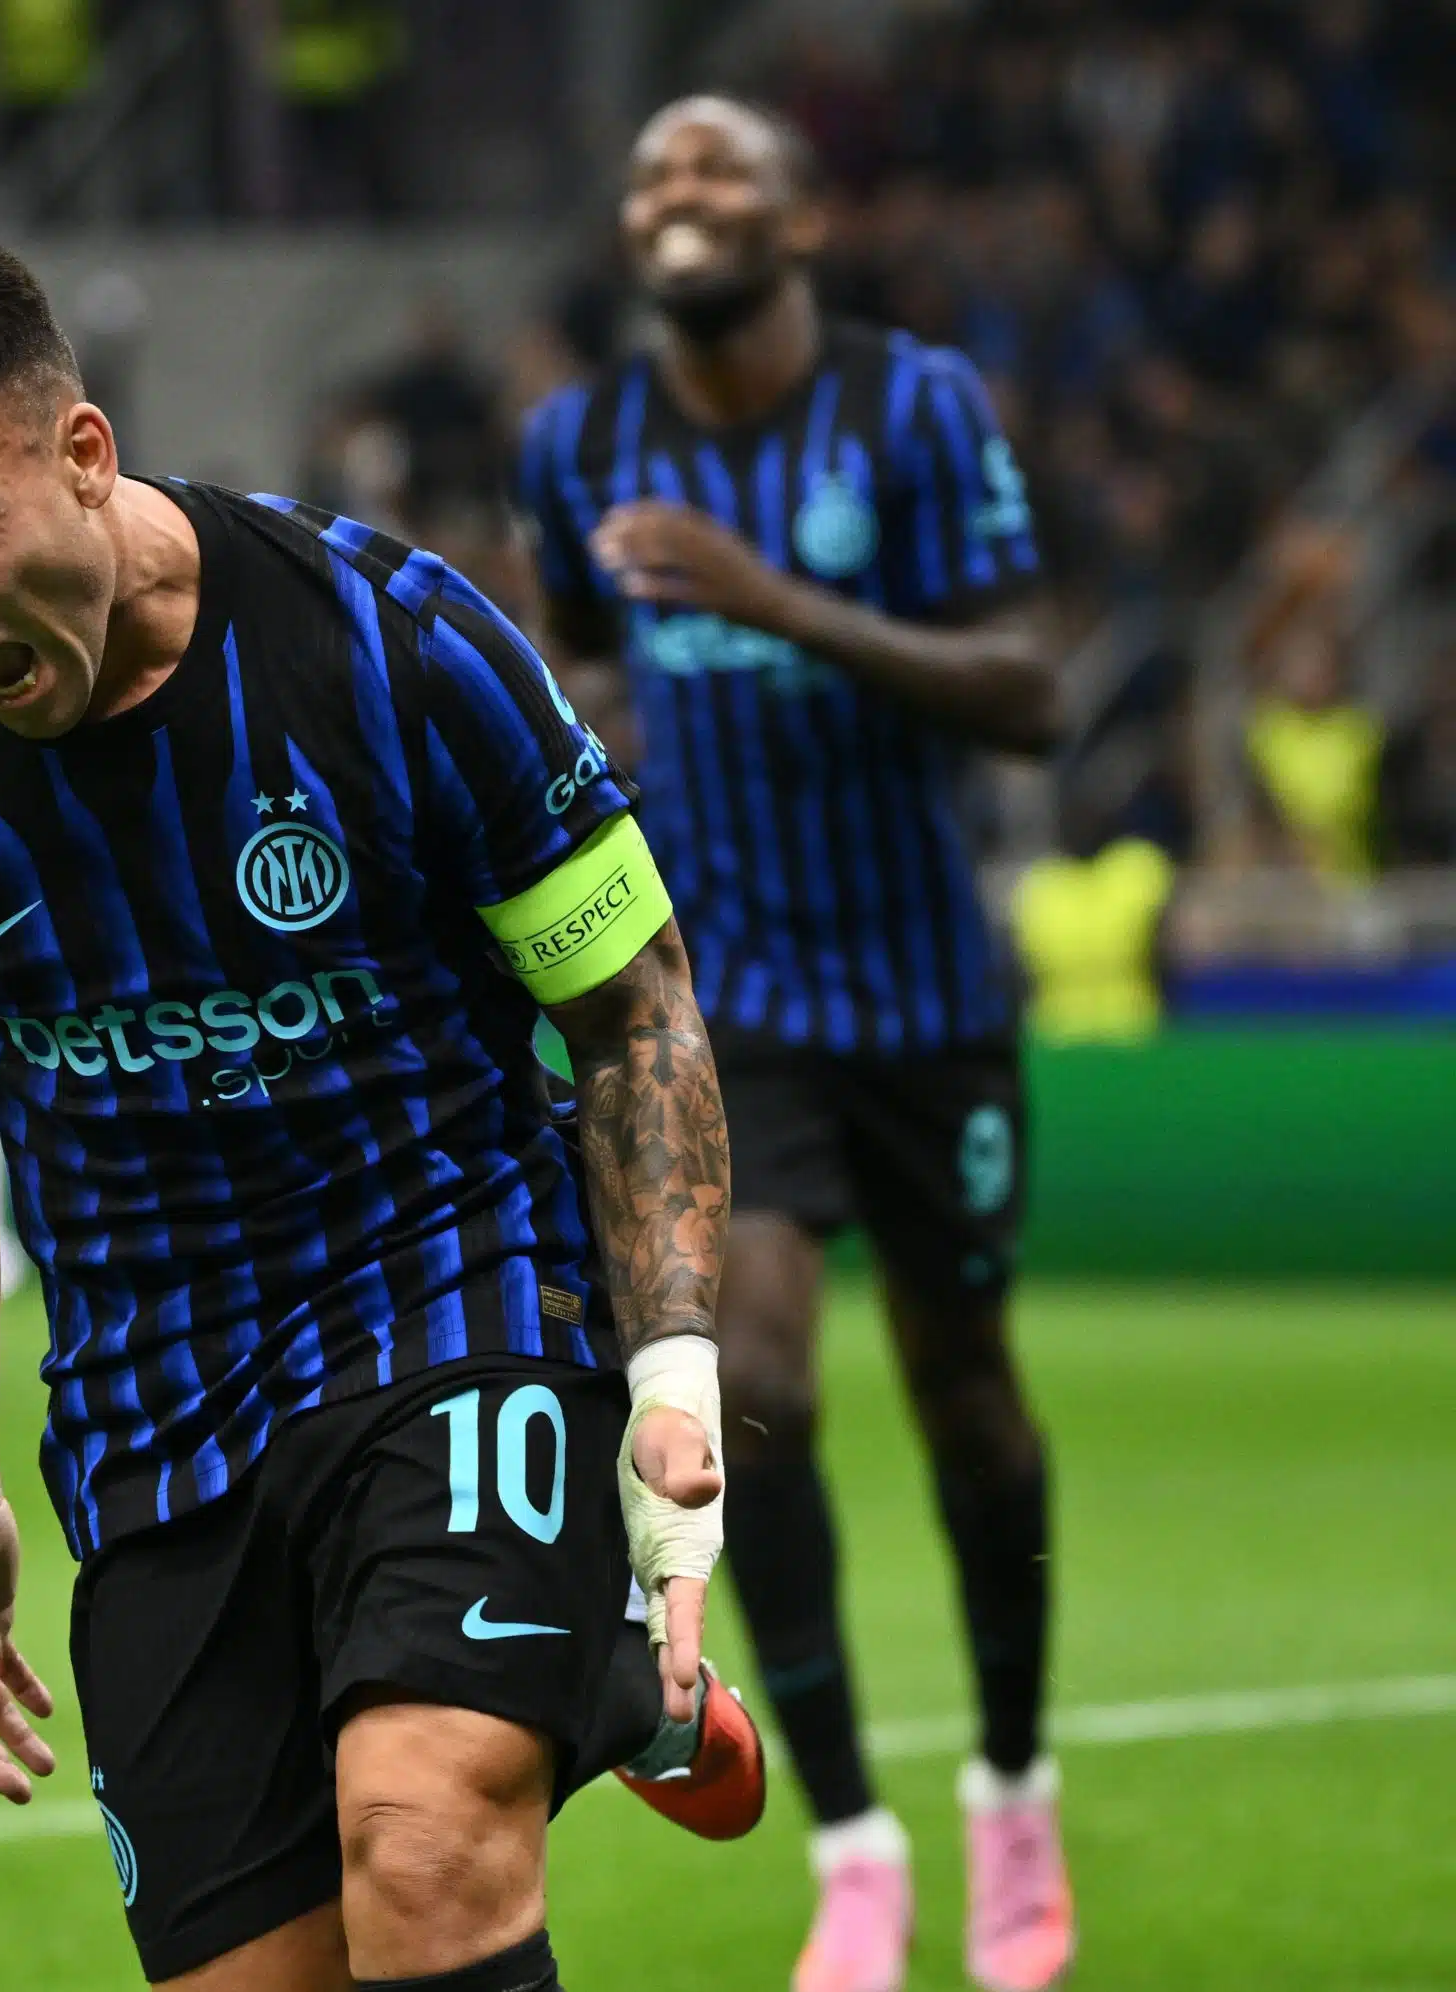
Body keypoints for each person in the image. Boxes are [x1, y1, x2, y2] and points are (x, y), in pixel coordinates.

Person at [0, 226, 761, 1992]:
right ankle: (592, 1678)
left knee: (423, 1843)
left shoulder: (394, 646)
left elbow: (632, 1011)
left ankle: (544, 1654)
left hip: (453, 1293)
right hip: (154, 1406)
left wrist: (670, 1372)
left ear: (83, 453)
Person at [517, 100, 1071, 1992]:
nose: (678, 196)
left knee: (966, 1396)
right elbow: (576, 669)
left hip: (927, 1000)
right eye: (653, 175)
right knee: (750, 1381)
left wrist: (771, 605)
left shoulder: (915, 410)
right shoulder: (576, 443)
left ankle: (1012, 1785)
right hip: (726, 1001)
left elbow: (1030, 689)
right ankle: (851, 1844)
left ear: (802, 217)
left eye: (719, 170)